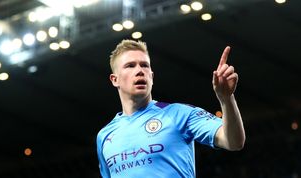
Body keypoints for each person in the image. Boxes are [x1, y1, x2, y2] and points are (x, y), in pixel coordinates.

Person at [96, 39, 245, 178]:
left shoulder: (179, 114)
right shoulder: (104, 136)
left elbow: (233, 141)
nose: (140, 70)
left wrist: (226, 99)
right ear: (115, 80)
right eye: (130, 66)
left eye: (144, 65)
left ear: (152, 77)